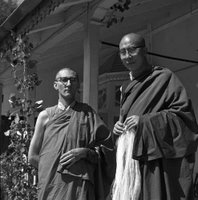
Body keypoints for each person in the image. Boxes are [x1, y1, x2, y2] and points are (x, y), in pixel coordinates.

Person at [113, 32, 198, 200]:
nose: (127, 56)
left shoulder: (164, 78)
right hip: (131, 161)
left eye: (132, 50)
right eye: (123, 52)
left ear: (145, 50)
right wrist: (118, 128)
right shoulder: (127, 87)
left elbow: (184, 119)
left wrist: (144, 122)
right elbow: (126, 118)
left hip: (155, 159)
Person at [28, 68, 115, 200]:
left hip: (79, 185)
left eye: (73, 80)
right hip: (51, 186)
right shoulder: (44, 116)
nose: (68, 84)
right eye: (64, 80)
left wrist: (85, 152)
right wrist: (52, 170)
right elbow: (32, 156)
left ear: (78, 85)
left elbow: (108, 147)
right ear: (55, 85)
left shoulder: (88, 114)